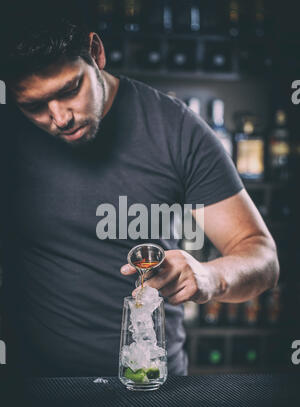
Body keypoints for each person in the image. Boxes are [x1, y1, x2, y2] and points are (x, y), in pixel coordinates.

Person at [0, 6, 279, 378]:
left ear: (96, 53)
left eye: (70, 90)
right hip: (34, 393)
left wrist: (208, 277)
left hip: (148, 383)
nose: (60, 117)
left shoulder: (176, 129)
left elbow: (262, 257)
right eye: (34, 106)